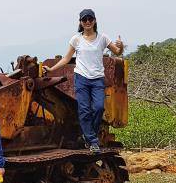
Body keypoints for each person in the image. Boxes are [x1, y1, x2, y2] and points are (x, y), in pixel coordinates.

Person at [44, 8, 124, 154]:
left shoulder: (103, 38)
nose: (87, 22)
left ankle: (88, 136)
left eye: (90, 19)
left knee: (99, 108)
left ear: (94, 21)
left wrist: (121, 45)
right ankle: (93, 141)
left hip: (97, 79)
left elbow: (117, 52)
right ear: (80, 22)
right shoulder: (76, 39)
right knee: (84, 110)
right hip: (81, 78)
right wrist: (51, 69)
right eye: (84, 19)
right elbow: (66, 59)